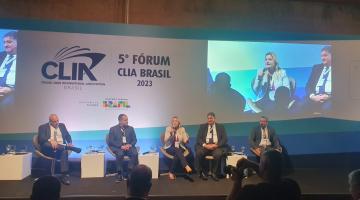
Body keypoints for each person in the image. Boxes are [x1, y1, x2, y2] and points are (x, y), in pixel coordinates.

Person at [227, 150, 301, 200]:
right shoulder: (292, 186)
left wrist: (237, 182)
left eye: (260, 163)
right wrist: (251, 164)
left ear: (264, 167)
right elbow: (270, 174)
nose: (259, 165)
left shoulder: (251, 192)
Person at [38, 114, 81, 185]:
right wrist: (50, 140)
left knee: (63, 151)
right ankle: (68, 148)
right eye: (54, 121)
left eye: (57, 120)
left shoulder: (62, 125)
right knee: (46, 144)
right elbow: (41, 139)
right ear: (50, 121)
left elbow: (67, 136)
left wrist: (70, 142)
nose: (57, 122)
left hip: (60, 149)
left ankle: (64, 175)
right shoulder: (42, 127)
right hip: (49, 149)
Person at [195, 112, 228, 181]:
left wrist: (216, 145)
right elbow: (198, 138)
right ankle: (202, 172)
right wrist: (205, 145)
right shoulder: (202, 126)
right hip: (205, 146)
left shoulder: (220, 126)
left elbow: (225, 139)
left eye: (211, 118)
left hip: (216, 147)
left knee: (217, 154)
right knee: (199, 153)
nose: (209, 120)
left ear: (214, 119)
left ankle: (214, 172)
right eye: (208, 118)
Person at [109, 114, 138, 182]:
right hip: (118, 147)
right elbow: (111, 141)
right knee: (120, 154)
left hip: (129, 147)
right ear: (120, 121)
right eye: (125, 120)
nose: (127, 121)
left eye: (127, 120)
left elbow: (135, 140)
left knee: (134, 153)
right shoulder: (113, 129)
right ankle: (119, 174)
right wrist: (121, 146)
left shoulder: (131, 128)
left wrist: (130, 145)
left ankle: (129, 171)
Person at [305, 46, 332, 113]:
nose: (322, 58)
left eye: (325, 55)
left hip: (330, 98)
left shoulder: (339, 68)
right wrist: (313, 97)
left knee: (327, 108)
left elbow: (342, 89)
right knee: (301, 105)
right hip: (315, 96)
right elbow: (308, 86)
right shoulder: (316, 68)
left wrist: (329, 96)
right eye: (321, 56)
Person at [0, 31, 17, 98]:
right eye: (4, 42)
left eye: (9, 42)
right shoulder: (1, 55)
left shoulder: (25, 58)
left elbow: (28, 83)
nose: (5, 45)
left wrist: (12, 90)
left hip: (12, 93)